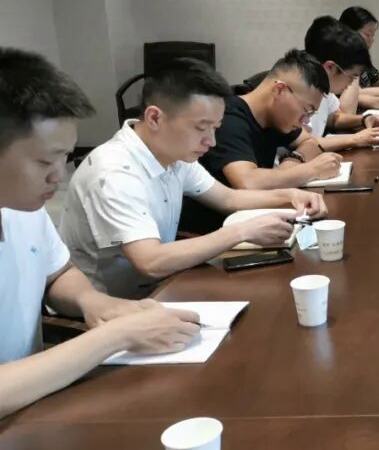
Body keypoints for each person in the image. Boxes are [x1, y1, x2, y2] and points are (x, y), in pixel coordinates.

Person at [0, 48, 200, 418]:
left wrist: (95, 303)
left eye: (65, 157)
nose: (59, 176)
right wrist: (115, 336)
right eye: (44, 161)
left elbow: (57, 271)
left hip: (35, 408)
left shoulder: (23, 206)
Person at [60, 59, 329, 299]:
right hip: (114, 306)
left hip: (163, 286)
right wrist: (242, 232)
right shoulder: (115, 172)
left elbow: (228, 198)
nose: (211, 141)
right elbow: (150, 261)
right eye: (201, 128)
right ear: (154, 118)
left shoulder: (174, 154)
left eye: (215, 128)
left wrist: (291, 195)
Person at [180, 50, 342, 233]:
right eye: (306, 110)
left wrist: (292, 164)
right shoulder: (229, 118)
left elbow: (310, 143)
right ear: (279, 90)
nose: (306, 121)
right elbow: (248, 183)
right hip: (209, 231)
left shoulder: (276, 118)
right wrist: (311, 170)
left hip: (250, 221)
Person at [300, 18, 379, 152]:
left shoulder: (323, 85)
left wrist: (364, 119)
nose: (351, 84)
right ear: (331, 67)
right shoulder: (297, 92)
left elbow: (335, 118)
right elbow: (303, 143)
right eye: (352, 76)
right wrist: (356, 139)